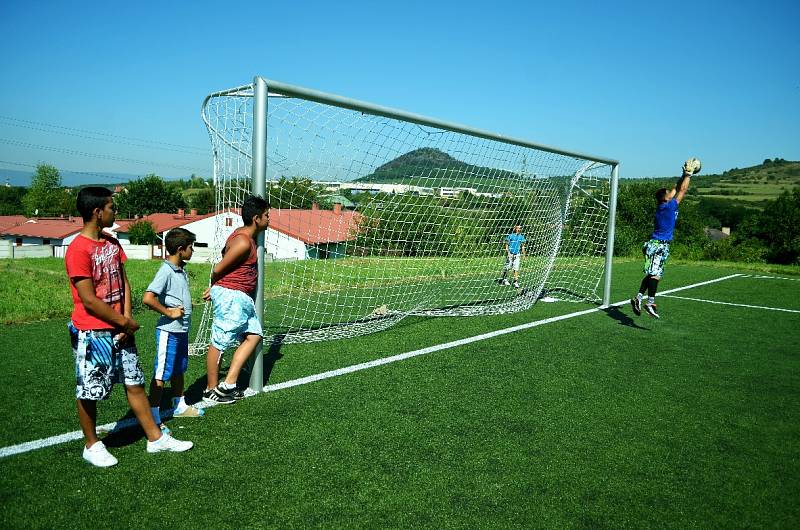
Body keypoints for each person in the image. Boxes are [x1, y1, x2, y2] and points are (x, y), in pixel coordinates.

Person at [65, 187, 192, 467]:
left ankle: (155, 438)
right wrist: (123, 321)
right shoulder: (78, 249)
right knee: (90, 390)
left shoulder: (111, 243)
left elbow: (123, 283)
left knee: (135, 383)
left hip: (121, 329)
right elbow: (87, 299)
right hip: (93, 331)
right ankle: (91, 444)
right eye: (112, 207)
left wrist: (125, 321)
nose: (116, 211)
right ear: (98, 212)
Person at [202, 194, 269, 406]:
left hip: (240, 297)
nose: (270, 220)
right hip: (232, 295)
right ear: (257, 218)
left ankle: (228, 384)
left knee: (254, 335)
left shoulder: (244, 236)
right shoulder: (242, 241)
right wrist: (213, 288)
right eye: (267, 215)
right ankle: (211, 390)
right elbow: (219, 268)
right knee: (220, 341)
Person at [142, 227, 204, 431]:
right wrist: (169, 312)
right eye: (190, 247)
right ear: (180, 249)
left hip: (181, 331)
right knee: (161, 374)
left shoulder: (181, 269)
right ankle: (153, 416)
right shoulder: (165, 271)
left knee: (179, 369)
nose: (192, 251)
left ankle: (179, 405)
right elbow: (148, 298)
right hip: (169, 331)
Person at [630, 160, 697, 319]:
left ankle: (638, 298)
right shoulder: (668, 207)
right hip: (658, 245)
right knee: (655, 275)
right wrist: (689, 175)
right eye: (669, 193)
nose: (672, 193)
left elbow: (676, 188)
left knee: (654, 274)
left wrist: (682, 175)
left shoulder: (664, 204)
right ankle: (650, 303)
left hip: (658, 245)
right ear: (665, 198)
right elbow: (683, 190)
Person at [498, 225, 526, 289]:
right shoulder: (511, 236)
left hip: (517, 254)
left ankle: (515, 282)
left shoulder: (521, 237)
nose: (519, 229)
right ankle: (505, 279)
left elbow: (523, 246)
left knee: (516, 268)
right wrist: (508, 252)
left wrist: (524, 254)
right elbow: (507, 245)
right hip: (510, 254)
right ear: (515, 229)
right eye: (517, 228)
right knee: (508, 267)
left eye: (520, 228)